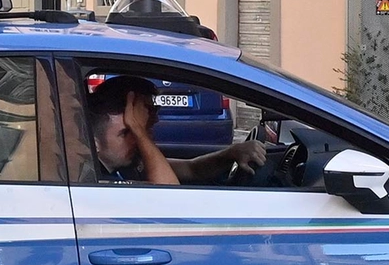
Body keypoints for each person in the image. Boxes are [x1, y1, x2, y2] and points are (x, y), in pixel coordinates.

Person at [85, 75, 268, 185]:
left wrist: (231, 153)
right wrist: (140, 132)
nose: (136, 139)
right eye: (127, 132)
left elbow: (191, 169)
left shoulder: (128, 165)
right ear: (94, 143)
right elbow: (168, 196)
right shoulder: (97, 181)